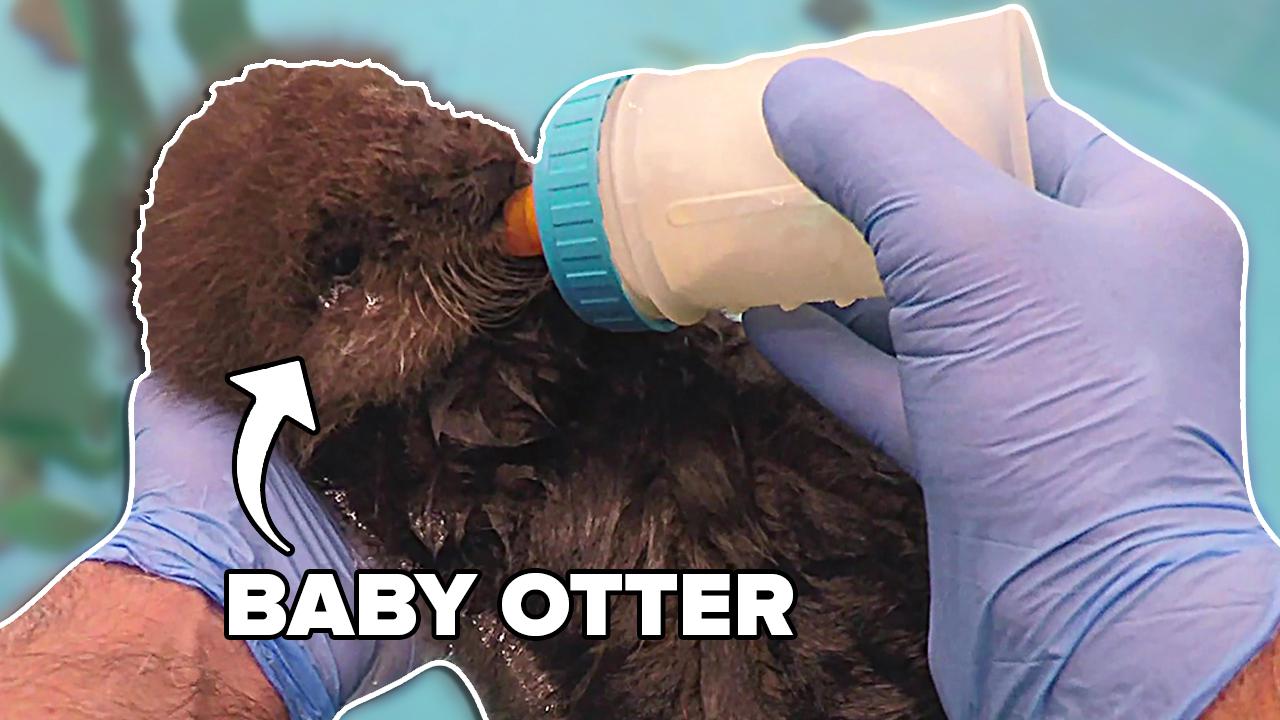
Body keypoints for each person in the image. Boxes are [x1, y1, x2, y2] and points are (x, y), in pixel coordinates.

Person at [0, 58, 1276, 719]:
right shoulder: (356, 473)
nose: (470, 171)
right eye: (345, 275)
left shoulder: (628, 293)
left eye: (434, 120)